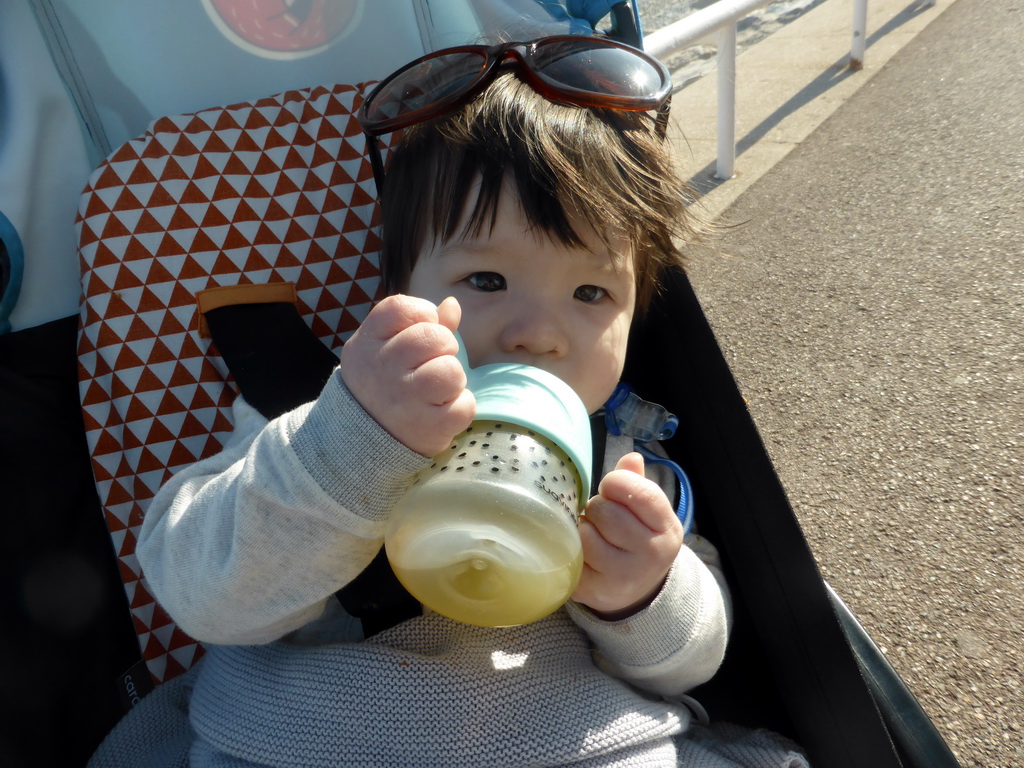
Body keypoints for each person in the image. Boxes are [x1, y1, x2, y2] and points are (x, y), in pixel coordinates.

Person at [90, 38, 808, 768]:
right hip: (300, 743)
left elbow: (692, 662)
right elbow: (198, 590)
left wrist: (643, 595)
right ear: (398, 291)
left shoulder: (621, 463)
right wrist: (345, 448)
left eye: (591, 293)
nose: (537, 335)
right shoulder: (319, 414)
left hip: (573, 745)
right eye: (487, 280)